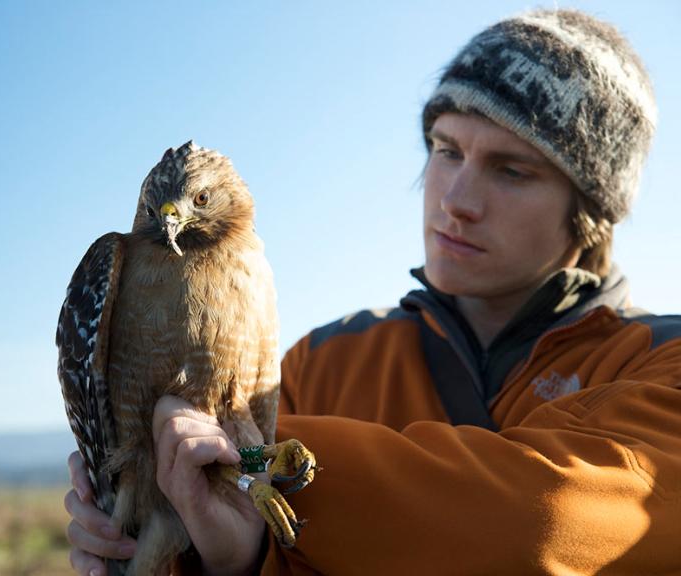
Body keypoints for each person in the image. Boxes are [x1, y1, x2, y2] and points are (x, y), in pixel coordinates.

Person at [64, 9, 681, 575]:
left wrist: (248, 467)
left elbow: (551, 523)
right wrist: (218, 555)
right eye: (446, 150)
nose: (456, 201)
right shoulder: (323, 364)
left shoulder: (664, 364)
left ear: (591, 210)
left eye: (511, 170)